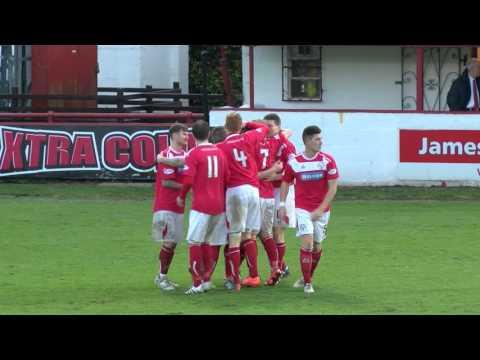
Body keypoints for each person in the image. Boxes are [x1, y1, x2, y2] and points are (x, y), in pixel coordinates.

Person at [278, 125, 339, 295]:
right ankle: (307, 284)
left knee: (317, 246)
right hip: (303, 209)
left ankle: (306, 276)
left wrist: (320, 209)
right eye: (317, 139)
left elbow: (333, 187)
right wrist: (282, 205)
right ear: (307, 141)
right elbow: (285, 182)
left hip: (322, 211)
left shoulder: (327, 160)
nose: (321, 142)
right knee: (308, 243)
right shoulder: (294, 162)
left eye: (320, 138)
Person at [216, 112, 269, 291]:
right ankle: (254, 276)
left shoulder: (220, 146)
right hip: (254, 189)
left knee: (234, 236)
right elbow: (265, 128)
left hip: (235, 190)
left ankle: (234, 279)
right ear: (240, 127)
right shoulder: (249, 136)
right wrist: (248, 123)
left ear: (225, 128)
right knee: (250, 235)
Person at [177, 120, 229, 295]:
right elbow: (227, 178)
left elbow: (188, 179)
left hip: (201, 205)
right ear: (209, 134)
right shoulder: (220, 152)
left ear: (193, 136)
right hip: (219, 205)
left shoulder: (193, 154)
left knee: (194, 243)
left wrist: (181, 196)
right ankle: (207, 280)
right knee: (208, 242)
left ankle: (197, 283)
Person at [152, 123, 189, 291]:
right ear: (173, 135)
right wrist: (187, 187)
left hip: (177, 206)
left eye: (187, 133)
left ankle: (163, 276)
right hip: (166, 205)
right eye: (183, 133)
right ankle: (160, 277)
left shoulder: (184, 155)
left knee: (172, 243)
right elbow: (167, 182)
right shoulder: (167, 154)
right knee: (169, 242)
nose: (187, 136)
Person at [264, 114, 297, 279]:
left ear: (278, 127)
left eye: (270, 125)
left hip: (283, 191)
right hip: (267, 190)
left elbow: (293, 170)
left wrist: (274, 177)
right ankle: (281, 265)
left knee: (278, 230)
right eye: (266, 125)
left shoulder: (287, 146)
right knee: (266, 231)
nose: (267, 128)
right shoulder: (264, 141)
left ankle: (279, 267)